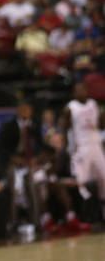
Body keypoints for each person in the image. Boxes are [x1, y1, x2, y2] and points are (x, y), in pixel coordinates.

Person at [61, 81, 105, 221]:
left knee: (103, 178)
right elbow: (64, 128)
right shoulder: (70, 107)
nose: (79, 92)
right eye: (76, 90)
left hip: (96, 145)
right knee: (81, 183)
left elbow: (100, 125)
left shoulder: (93, 104)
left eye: (81, 89)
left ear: (87, 90)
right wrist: (68, 147)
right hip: (80, 147)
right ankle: (84, 216)